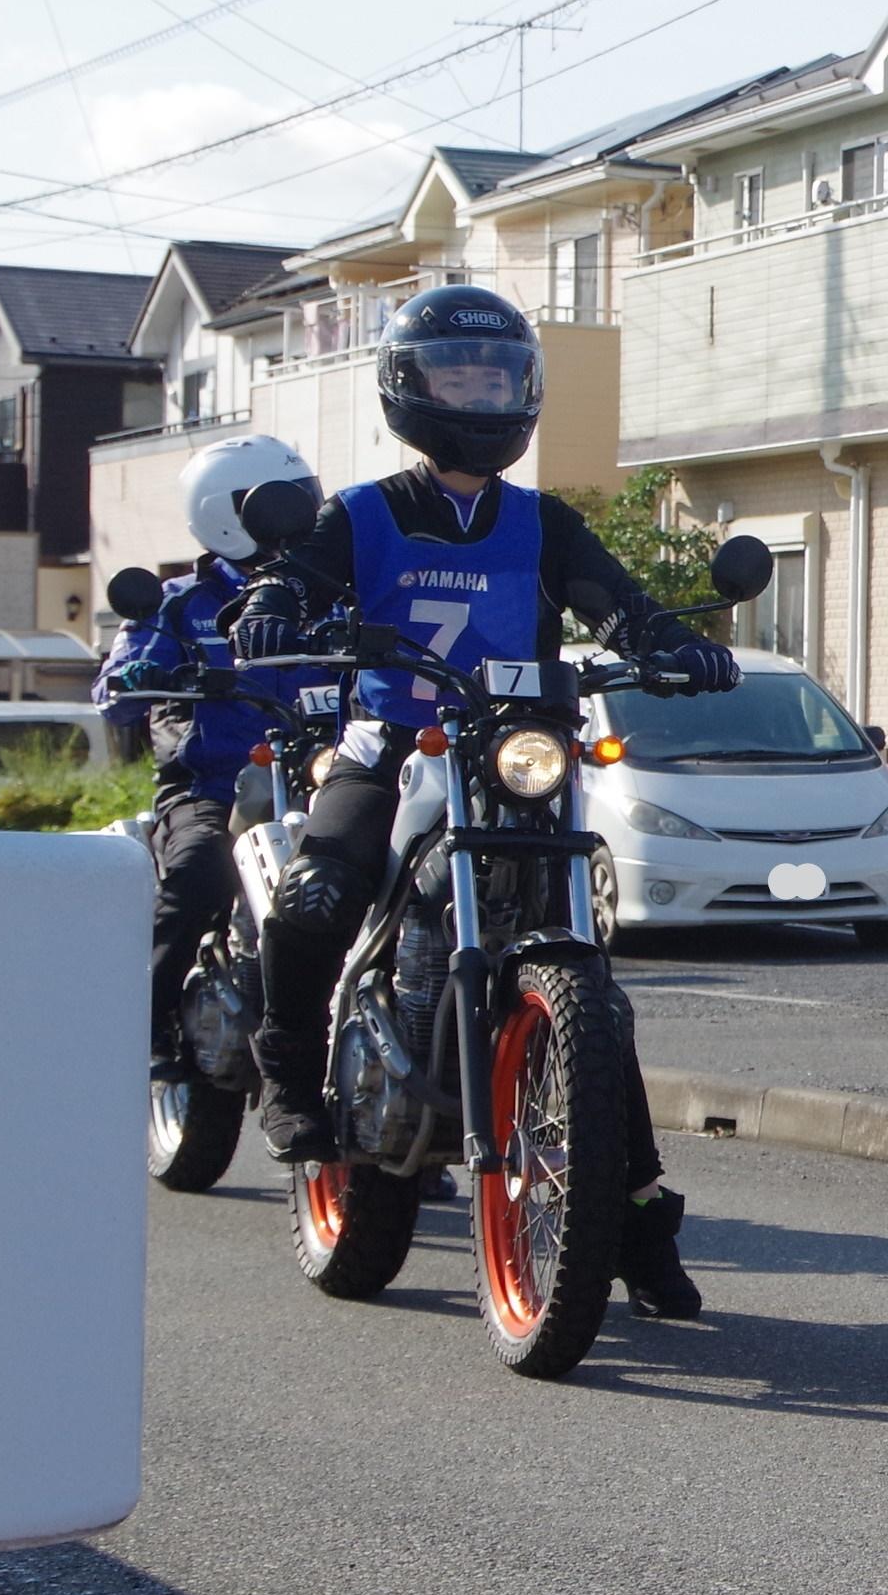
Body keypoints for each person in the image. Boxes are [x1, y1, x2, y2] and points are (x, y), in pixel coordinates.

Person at [233, 283, 739, 1319]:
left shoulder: (544, 524)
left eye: (495, 376)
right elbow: (293, 581)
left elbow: (622, 608)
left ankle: (632, 1217)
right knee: (317, 894)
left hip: (516, 756)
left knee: (589, 988)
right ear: (409, 391)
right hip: (391, 747)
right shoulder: (362, 514)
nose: (477, 393)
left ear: (526, 392)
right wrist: (276, 603)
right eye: (456, 376)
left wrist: (680, 646)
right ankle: (288, 1077)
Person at [99, 433, 316, 1082]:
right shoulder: (178, 602)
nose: (304, 511)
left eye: (305, 495)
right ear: (231, 512)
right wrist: (139, 676)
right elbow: (114, 693)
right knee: (196, 872)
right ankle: (150, 1026)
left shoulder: (323, 590)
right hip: (213, 787)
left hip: (313, 776)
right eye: (287, 499)